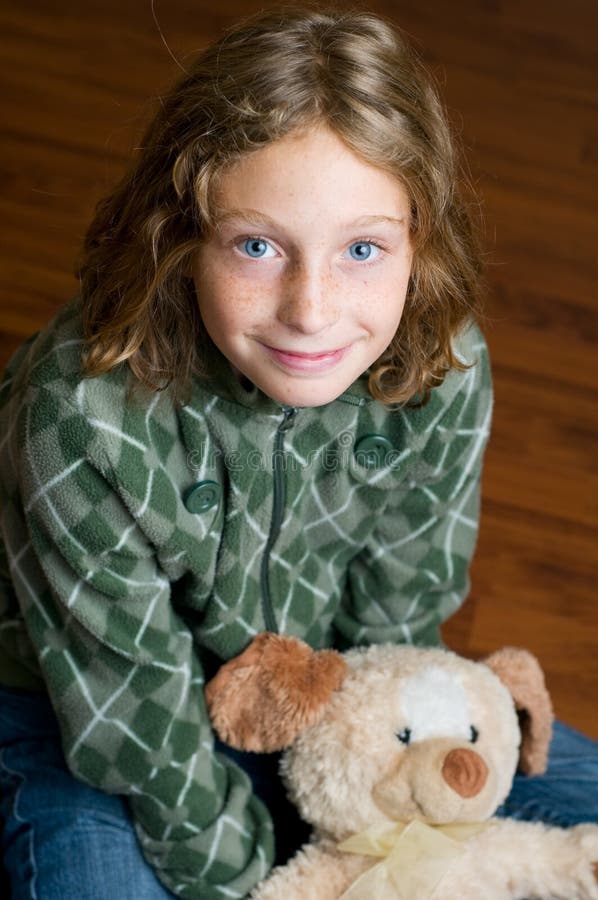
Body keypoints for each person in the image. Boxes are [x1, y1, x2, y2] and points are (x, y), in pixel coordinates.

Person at [0, 4, 595, 899]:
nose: (310, 310)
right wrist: (264, 881)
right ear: (182, 235)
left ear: (417, 243)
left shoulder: (445, 360)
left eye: (362, 248)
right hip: (95, 715)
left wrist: (384, 810)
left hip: (335, 697)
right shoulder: (81, 414)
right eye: (256, 245)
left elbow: (402, 613)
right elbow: (135, 729)